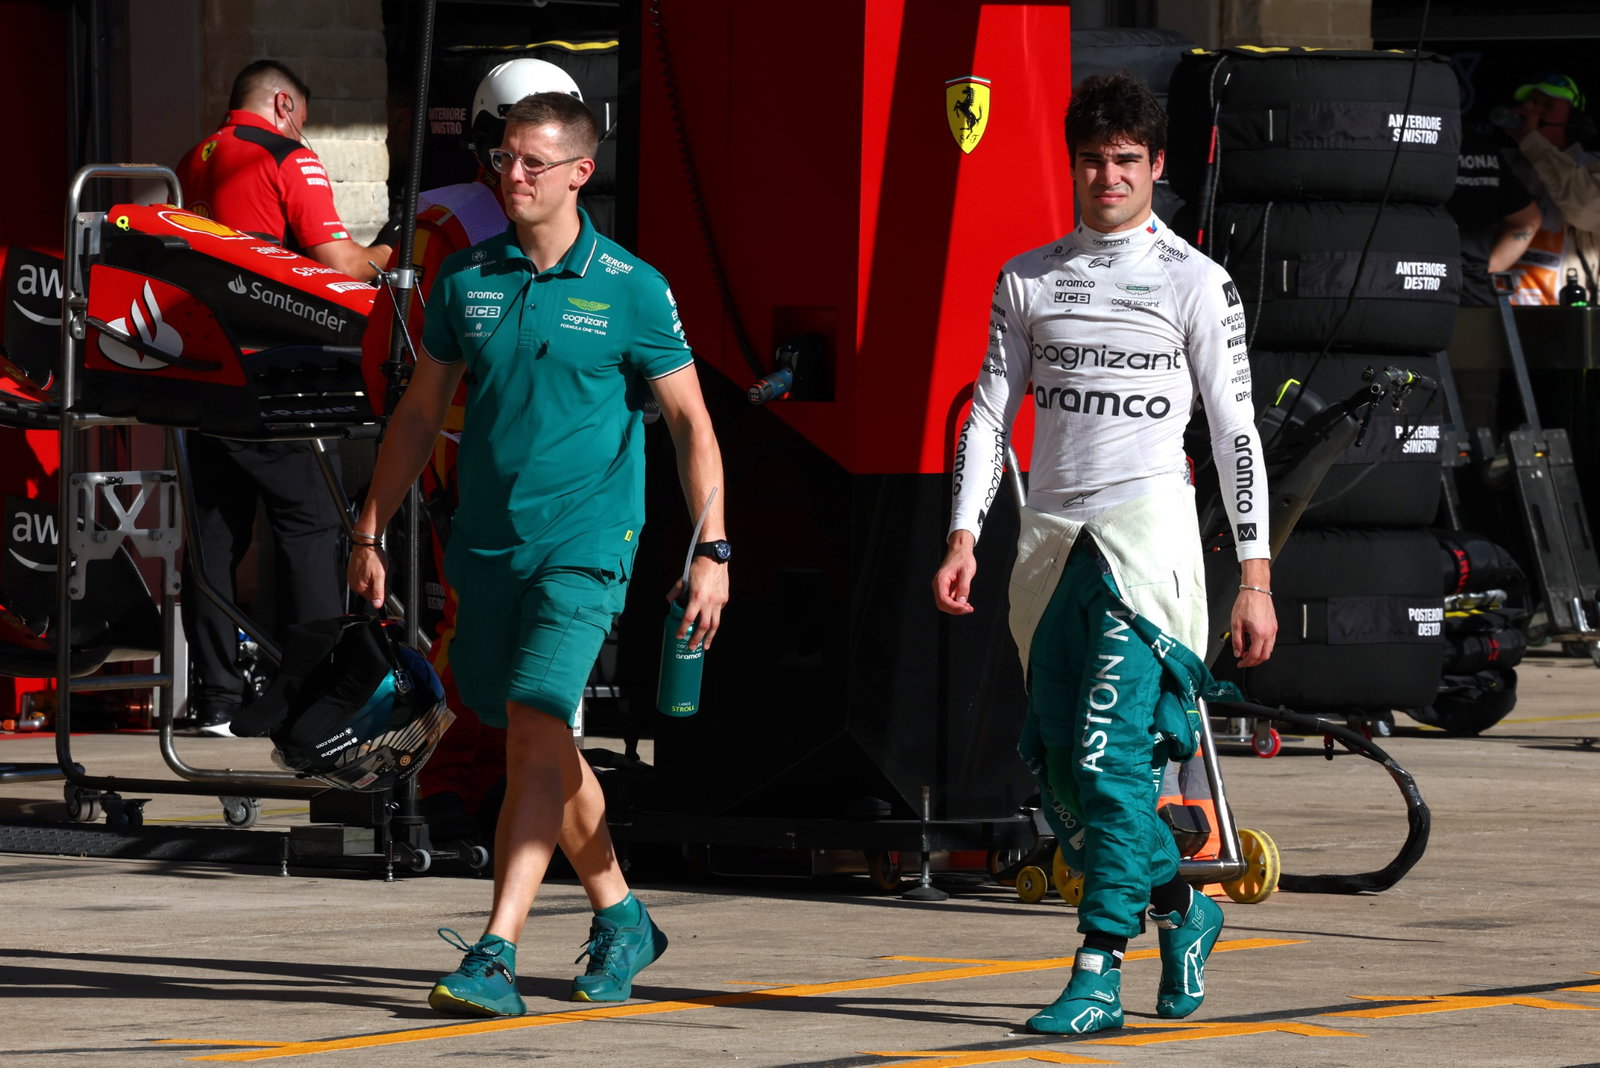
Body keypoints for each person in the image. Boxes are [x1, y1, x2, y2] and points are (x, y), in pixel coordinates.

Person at [348, 91, 729, 1017]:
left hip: (591, 541)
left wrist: (711, 548)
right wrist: (367, 530)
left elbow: (690, 424)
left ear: (577, 173)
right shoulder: (466, 280)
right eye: (504, 160)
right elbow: (417, 415)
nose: (510, 176)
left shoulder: (631, 286)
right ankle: (623, 915)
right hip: (485, 546)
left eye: (530, 162)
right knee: (541, 736)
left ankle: (496, 949)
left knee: (532, 724)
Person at [931, 71, 1276, 1035]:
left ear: (1157, 167)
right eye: (1092, 159)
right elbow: (992, 413)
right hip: (1049, 552)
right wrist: (964, 534)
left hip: (1147, 548)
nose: (1108, 176)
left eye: (1127, 160)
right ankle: (1184, 907)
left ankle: (1096, 972)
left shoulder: (1197, 282)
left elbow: (1236, 432)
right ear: (1072, 164)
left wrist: (1254, 579)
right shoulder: (1028, 277)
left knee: (1110, 760)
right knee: (1062, 773)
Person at [363, 58, 588, 840]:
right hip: (478, 453)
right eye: (518, 147)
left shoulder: (446, 218)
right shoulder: (462, 224)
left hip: (505, 456)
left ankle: (494, 781)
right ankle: (456, 785)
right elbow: (403, 354)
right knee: (474, 626)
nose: (525, 166)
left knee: (513, 630)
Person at [174, 60, 395, 735]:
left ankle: (214, 695)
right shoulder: (284, 154)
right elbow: (340, 263)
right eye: (302, 113)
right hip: (265, 367)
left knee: (213, 534)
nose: (306, 130)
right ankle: (318, 689)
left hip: (193, 370)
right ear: (281, 103)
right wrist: (395, 253)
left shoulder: (195, 157)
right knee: (312, 521)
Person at [1501, 73, 1600, 305]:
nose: (1533, 111)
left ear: (1575, 118)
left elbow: (1587, 210)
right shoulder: (1501, 163)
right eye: (1531, 103)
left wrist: (1533, 143)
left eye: (1548, 105)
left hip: (1567, 308)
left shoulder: (1592, 165)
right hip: (1502, 306)